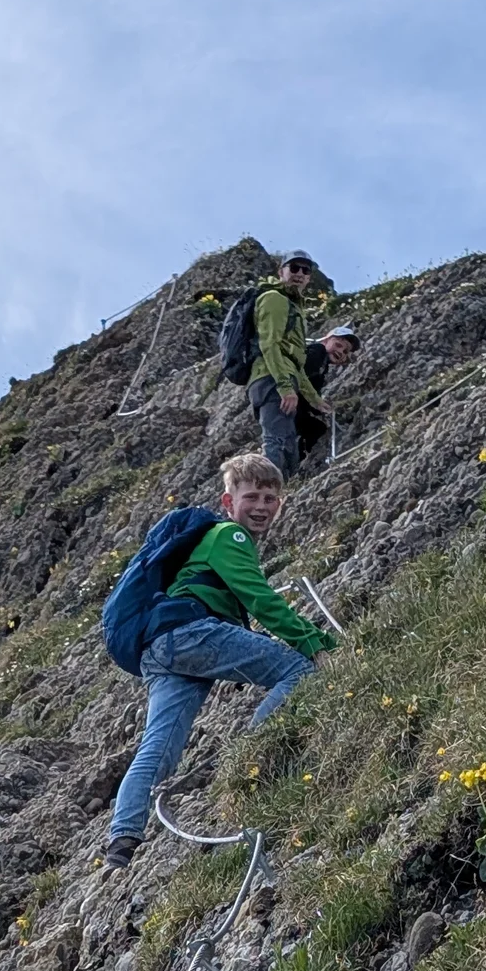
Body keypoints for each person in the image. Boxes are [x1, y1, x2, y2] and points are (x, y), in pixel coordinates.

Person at [103, 452, 336, 870]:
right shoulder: (231, 536)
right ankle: (255, 758)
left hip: (159, 647)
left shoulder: (210, 539)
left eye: (270, 498)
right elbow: (260, 600)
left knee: (158, 746)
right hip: (190, 632)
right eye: (252, 497)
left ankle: (123, 835)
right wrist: (317, 644)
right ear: (228, 503)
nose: (262, 506)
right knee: (298, 669)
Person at [247, 253, 328, 478]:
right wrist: (284, 386)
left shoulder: (293, 306)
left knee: (288, 442)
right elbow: (269, 344)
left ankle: (281, 489)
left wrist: (315, 400)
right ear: (281, 271)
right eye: (294, 268)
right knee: (276, 440)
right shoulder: (275, 299)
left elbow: (295, 362)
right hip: (271, 378)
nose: (300, 274)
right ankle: (267, 491)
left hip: (279, 376)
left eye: (306, 270)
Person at [294, 323, 360, 468]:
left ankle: (295, 461)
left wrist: (319, 407)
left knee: (316, 428)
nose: (340, 352)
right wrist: (317, 404)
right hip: (288, 400)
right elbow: (302, 377)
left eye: (344, 351)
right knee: (311, 428)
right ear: (325, 340)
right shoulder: (317, 351)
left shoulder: (322, 365)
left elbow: (311, 390)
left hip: (296, 404)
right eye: (338, 344)